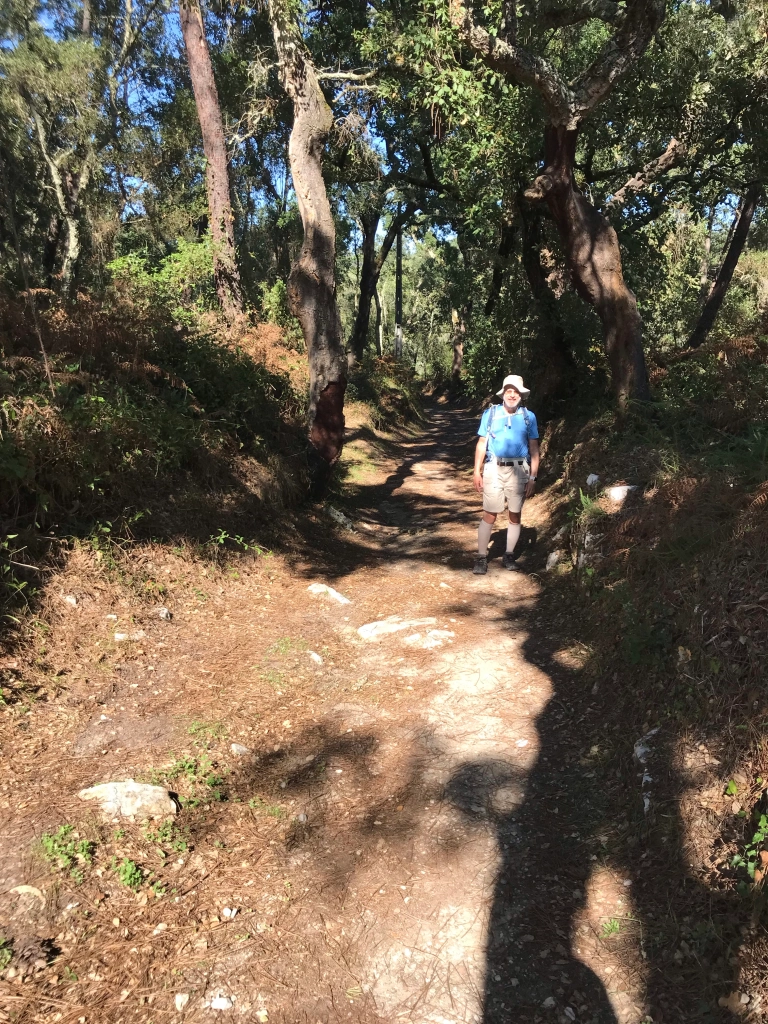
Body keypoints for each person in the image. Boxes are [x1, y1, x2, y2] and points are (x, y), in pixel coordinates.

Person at [472, 374, 540, 574]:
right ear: (503, 394)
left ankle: (509, 554)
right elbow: (482, 443)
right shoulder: (490, 414)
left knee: (515, 514)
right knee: (490, 514)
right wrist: (477, 471)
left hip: (520, 470)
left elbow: (534, 448)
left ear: (521, 395)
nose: (512, 395)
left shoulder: (529, 417)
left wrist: (533, 477)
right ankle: (482, 557)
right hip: (494, 468)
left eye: (516, 391)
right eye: (509, 391)